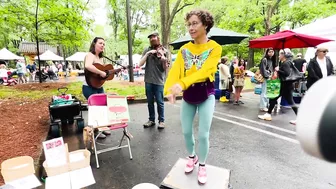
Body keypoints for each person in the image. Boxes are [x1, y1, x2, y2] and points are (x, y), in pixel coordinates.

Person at [164, 9, 222, 184]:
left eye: (195, 23)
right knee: (186, 131)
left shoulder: (215, 48)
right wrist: (168, 89)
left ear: (205, 25)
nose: (191, 27)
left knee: (203, 134)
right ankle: (192, 157)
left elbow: (206, 71)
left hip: (206, 93)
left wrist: (181, 84)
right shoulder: (184, 49)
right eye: (189, 24)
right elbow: (175, 72)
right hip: (189, 95)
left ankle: (202, 165)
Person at [82, 37, 123, 139]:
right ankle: (94, 131)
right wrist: (101, 72)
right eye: (100, 43)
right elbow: (88, 66)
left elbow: (103, 73)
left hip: (98, 86)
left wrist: (112, 72)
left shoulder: (101, 58)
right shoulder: (90, 55)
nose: (102, 45)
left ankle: (101, 127)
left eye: (104, 44)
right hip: (88, 87)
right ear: (94, 44)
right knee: (95, 109)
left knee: (102, 108)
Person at [258, 49, 298, 125]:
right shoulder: (287, 62)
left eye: (280, 54)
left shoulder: (286, 63)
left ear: (284, 55)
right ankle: (268, 114)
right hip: (286, 86)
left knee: (282, 100)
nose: (279, 56)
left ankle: (268, 114)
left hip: (285, 86)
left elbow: (287, 73)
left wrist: (278, 70)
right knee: (275, 99)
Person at [139, 32, 169, 129]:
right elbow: (140, 64)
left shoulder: (165, 51)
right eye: (151, 38)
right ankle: (151, 120)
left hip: (159, 81)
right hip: (148, 81)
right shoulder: (147, 50)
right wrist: (148, 54)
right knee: (150, 102)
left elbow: (165, 68)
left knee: (160, 102)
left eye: (154, 37)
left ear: (158, 38)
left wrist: (163, 59)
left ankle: (161, 121)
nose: (152, 39)